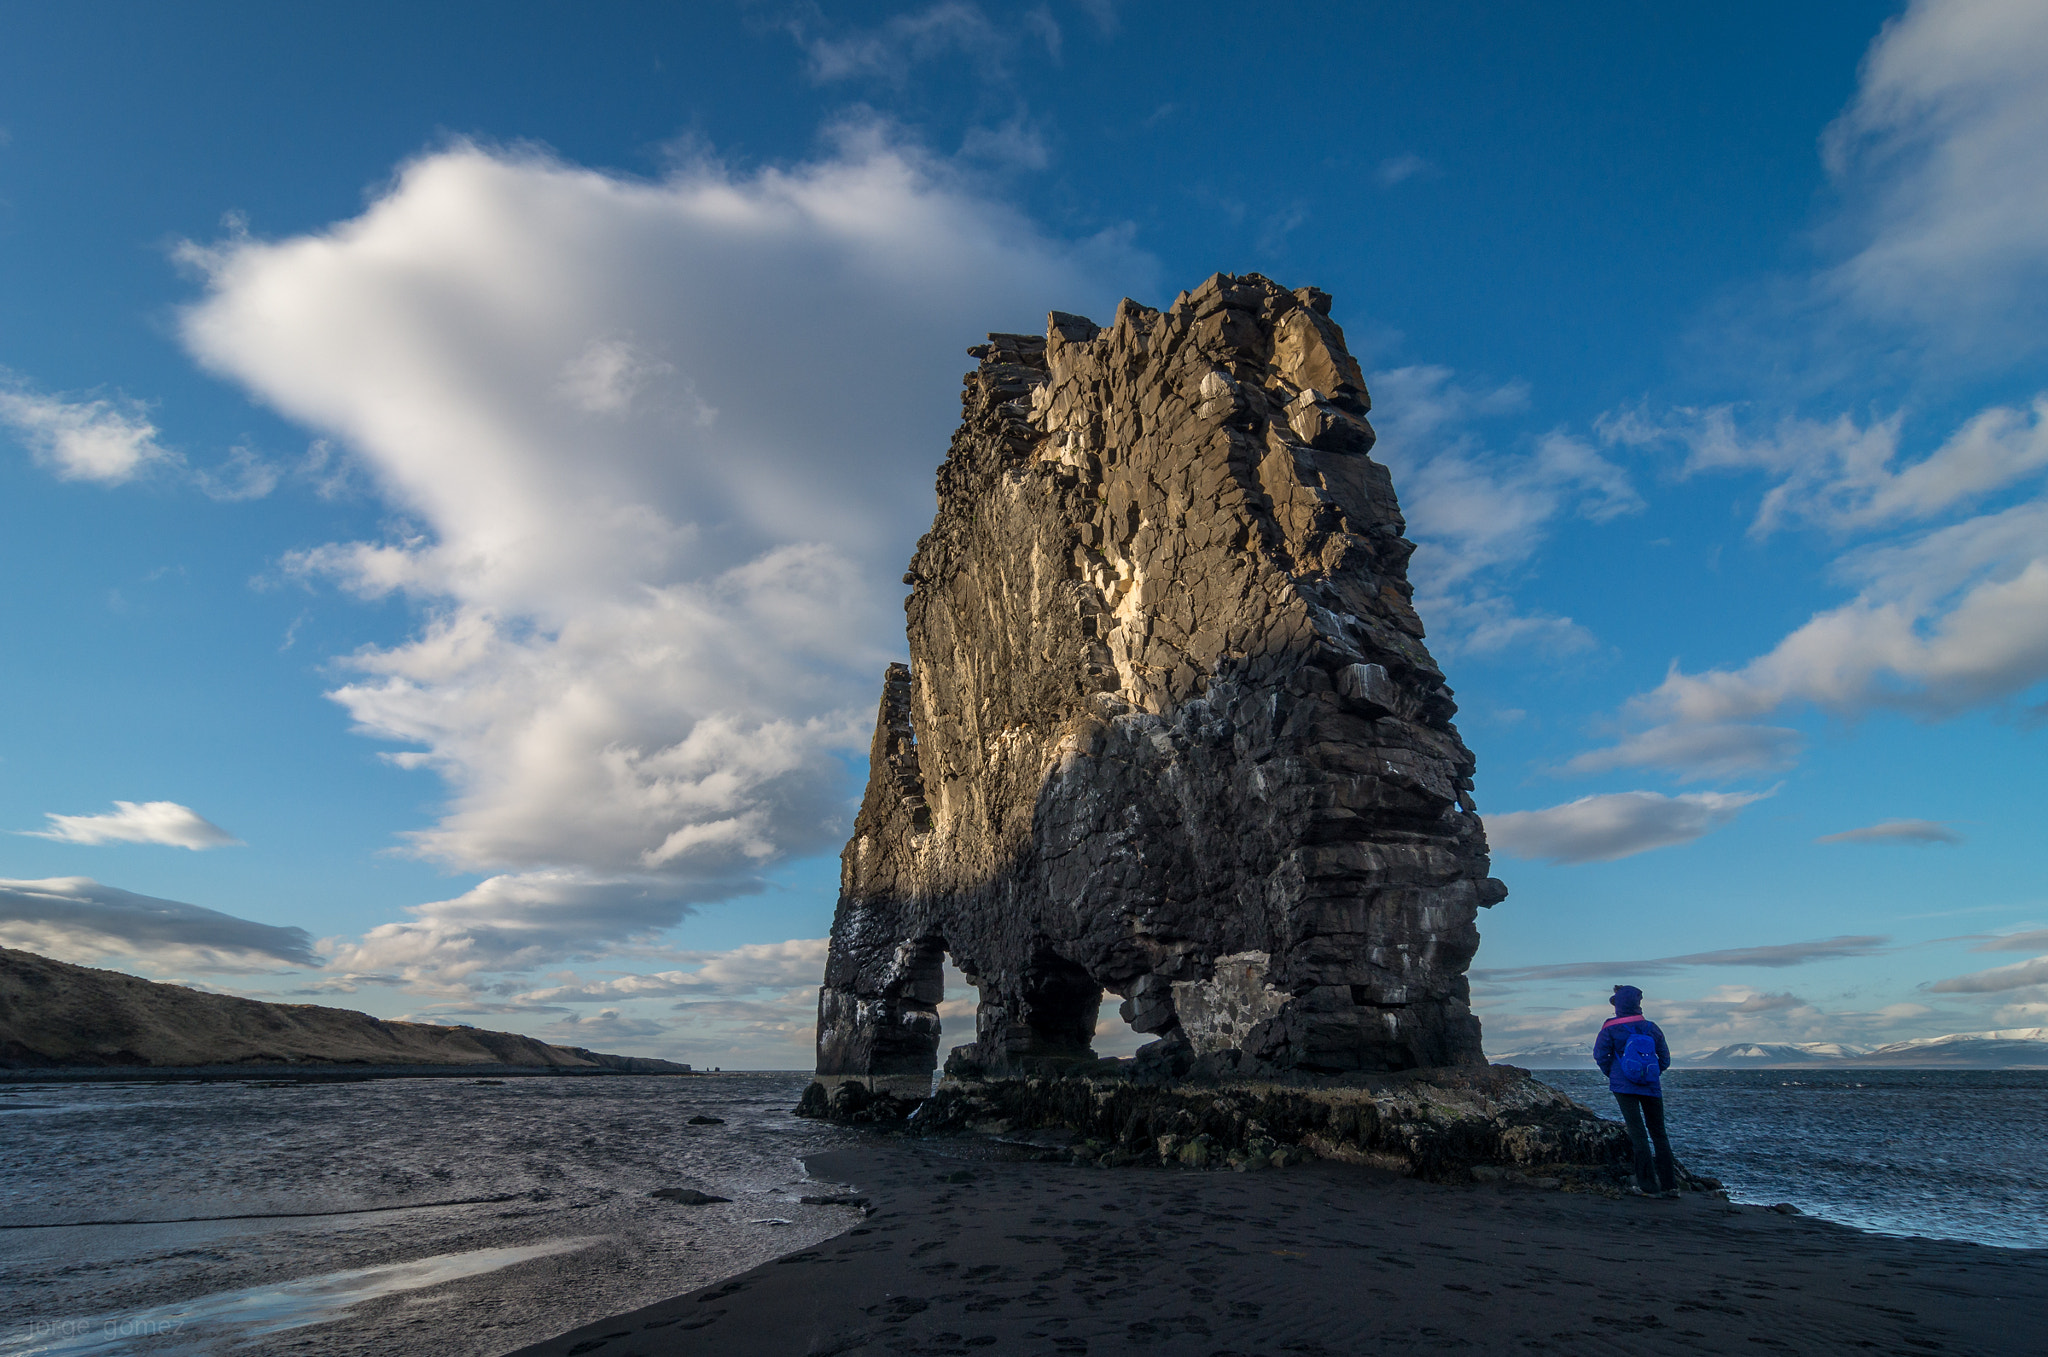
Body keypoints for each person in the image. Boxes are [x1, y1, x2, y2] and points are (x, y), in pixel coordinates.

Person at [1593, 984, 1678, 1198]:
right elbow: (1665, 1058)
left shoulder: (1609, 1028)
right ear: (1638, 1003)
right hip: (1651, 1086)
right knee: (1659, 1133)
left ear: (1618, 1005)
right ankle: (1671, 1186)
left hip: (1623, 1087)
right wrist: (1652, 1074)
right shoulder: (1652, 1027)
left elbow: (1600, 1055)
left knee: (1638, 1133)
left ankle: (1647, 1186)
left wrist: (1613, 1074)